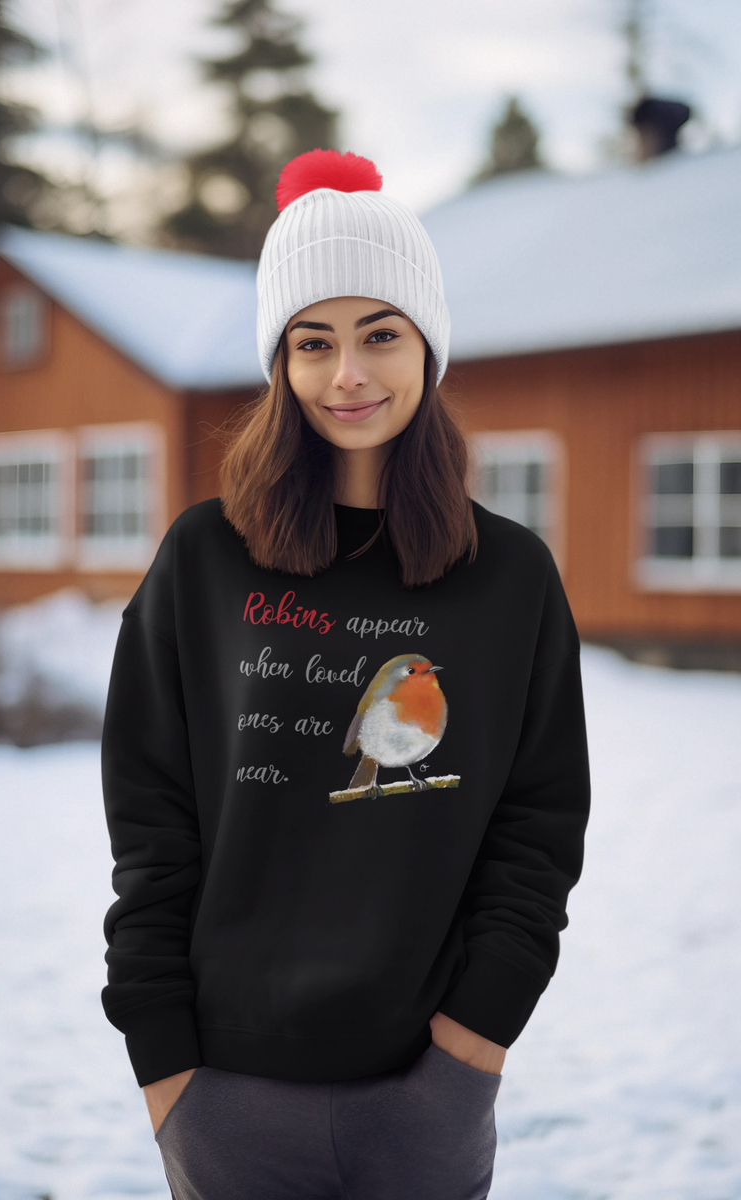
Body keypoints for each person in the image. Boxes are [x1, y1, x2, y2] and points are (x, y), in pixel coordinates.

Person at [101, 149, 590, 1200]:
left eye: (380, 335)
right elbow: (150, 819)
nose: (348, 375)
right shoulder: (204, 559)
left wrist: (469, 1052)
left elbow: (537, 828)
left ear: (427, 347)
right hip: (223, 1095)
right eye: (312, 342)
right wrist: (166, 1069)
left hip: (424, 1099)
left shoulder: (506, 577)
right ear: (278, 362)